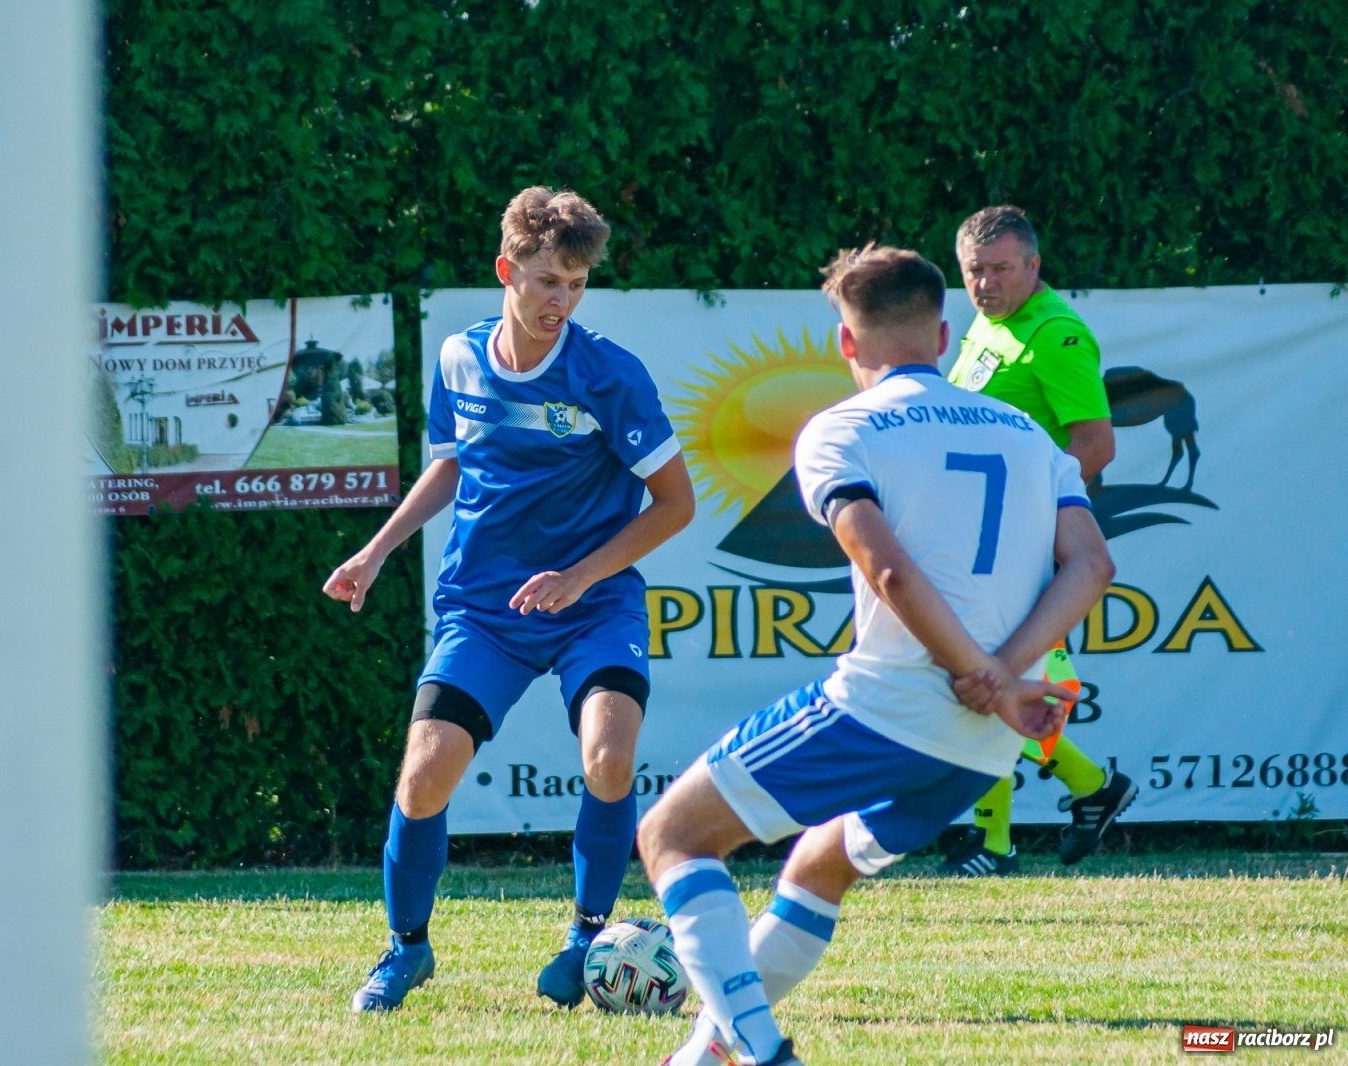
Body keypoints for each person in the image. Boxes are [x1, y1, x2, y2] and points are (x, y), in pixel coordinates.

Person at [637, 244, 1115, 1066]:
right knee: (820, 864)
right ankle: (705, 1055)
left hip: (894, 704)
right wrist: (1004, 677)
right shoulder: (1030, 437)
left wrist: (978, 673)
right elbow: (1093, 564)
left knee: (673, 834)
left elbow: (887, 567)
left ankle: (760, 1052)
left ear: (847, 345)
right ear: (942, 334)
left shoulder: (839, 429)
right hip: (985, 742)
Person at [324, 186, 695, 1012]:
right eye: (546, 280)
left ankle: (587, 934)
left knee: (609, 755)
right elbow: (450, 463)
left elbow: (676, 504)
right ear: (507, 270)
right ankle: (406, 951)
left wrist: (581, 577)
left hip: (592, 606)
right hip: (486, 610)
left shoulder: (609, 374)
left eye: (575, 283)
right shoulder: (459, 357)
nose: (560, 299)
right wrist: (376, 551)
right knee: (423, 777)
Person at [943, 205, 1137, 874]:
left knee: (997, 677)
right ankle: (1091, 789)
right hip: (984, 541)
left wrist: (1023, 506)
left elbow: (1096, 445)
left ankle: (998, 844)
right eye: (974, 271)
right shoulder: (987, 324)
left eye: (1001, 269)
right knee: (1007, 680)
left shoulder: (1056, 335)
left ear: (1034, 266)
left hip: (1025, 541)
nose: (986, 283)